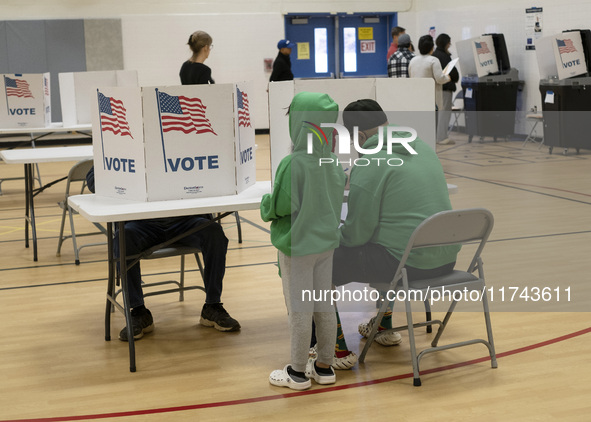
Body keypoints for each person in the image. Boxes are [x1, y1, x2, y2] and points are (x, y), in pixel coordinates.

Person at [332, 99, 461, 345]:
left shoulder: (371, 160)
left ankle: (333, 346)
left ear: (359, 137)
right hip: (445, 258)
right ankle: (383, 325)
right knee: (387, 241)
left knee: (322, 262)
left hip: (408, 265)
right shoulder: (422, 147)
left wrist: (333, 236)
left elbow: (356, 235)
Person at [85, 167, 240, 341]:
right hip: (142, 223)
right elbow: (92, 181)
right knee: (123, 239)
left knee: (214, 234)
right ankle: (138, 311)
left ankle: (212, 305)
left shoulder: (185, 142)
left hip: (185, 219)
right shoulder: (126, 146)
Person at [261, 92, 346, 390]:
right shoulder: (332, 162)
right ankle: (325, 366)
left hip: (298, 249)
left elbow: (280, 206)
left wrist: (265, 204)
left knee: (299, 310)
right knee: (324, 306)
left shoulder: (292, 163)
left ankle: (297, 372)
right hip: (326, 245)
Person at [409, 35, 454, 145]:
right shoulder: (433, 60)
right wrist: (448, 78)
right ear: (431, 47)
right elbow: (439, 78)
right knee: (431, 125)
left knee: (420, 125)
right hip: (431, 99)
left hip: (416, 97)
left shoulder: (413, 60)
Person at [432, 34, 460, 146]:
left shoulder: (434, 55)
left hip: (436, 89)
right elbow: (453, 73)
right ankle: (442, 137)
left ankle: (436, 136)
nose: (450, 45)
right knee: (444, 113)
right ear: (445, 43)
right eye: (449, 42)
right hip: (445, 88)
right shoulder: (444, 56)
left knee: (437, 113)